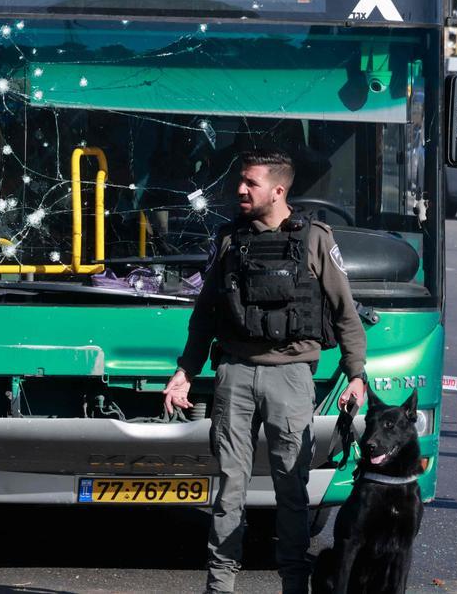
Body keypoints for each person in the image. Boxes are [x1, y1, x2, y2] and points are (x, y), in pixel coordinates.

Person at [163, 149, 368, 594]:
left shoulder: (315, 238)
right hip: (234, 373)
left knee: (292, 492)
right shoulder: (228, 239)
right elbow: (204, 316)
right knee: (228, 489)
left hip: (291, 376)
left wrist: (356, 375)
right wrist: (184, 371)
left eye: (250, 183)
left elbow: (345, 312)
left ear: (278, 190)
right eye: (241, 181)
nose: (240, 189)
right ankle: (220, 586)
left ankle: (294, 584)